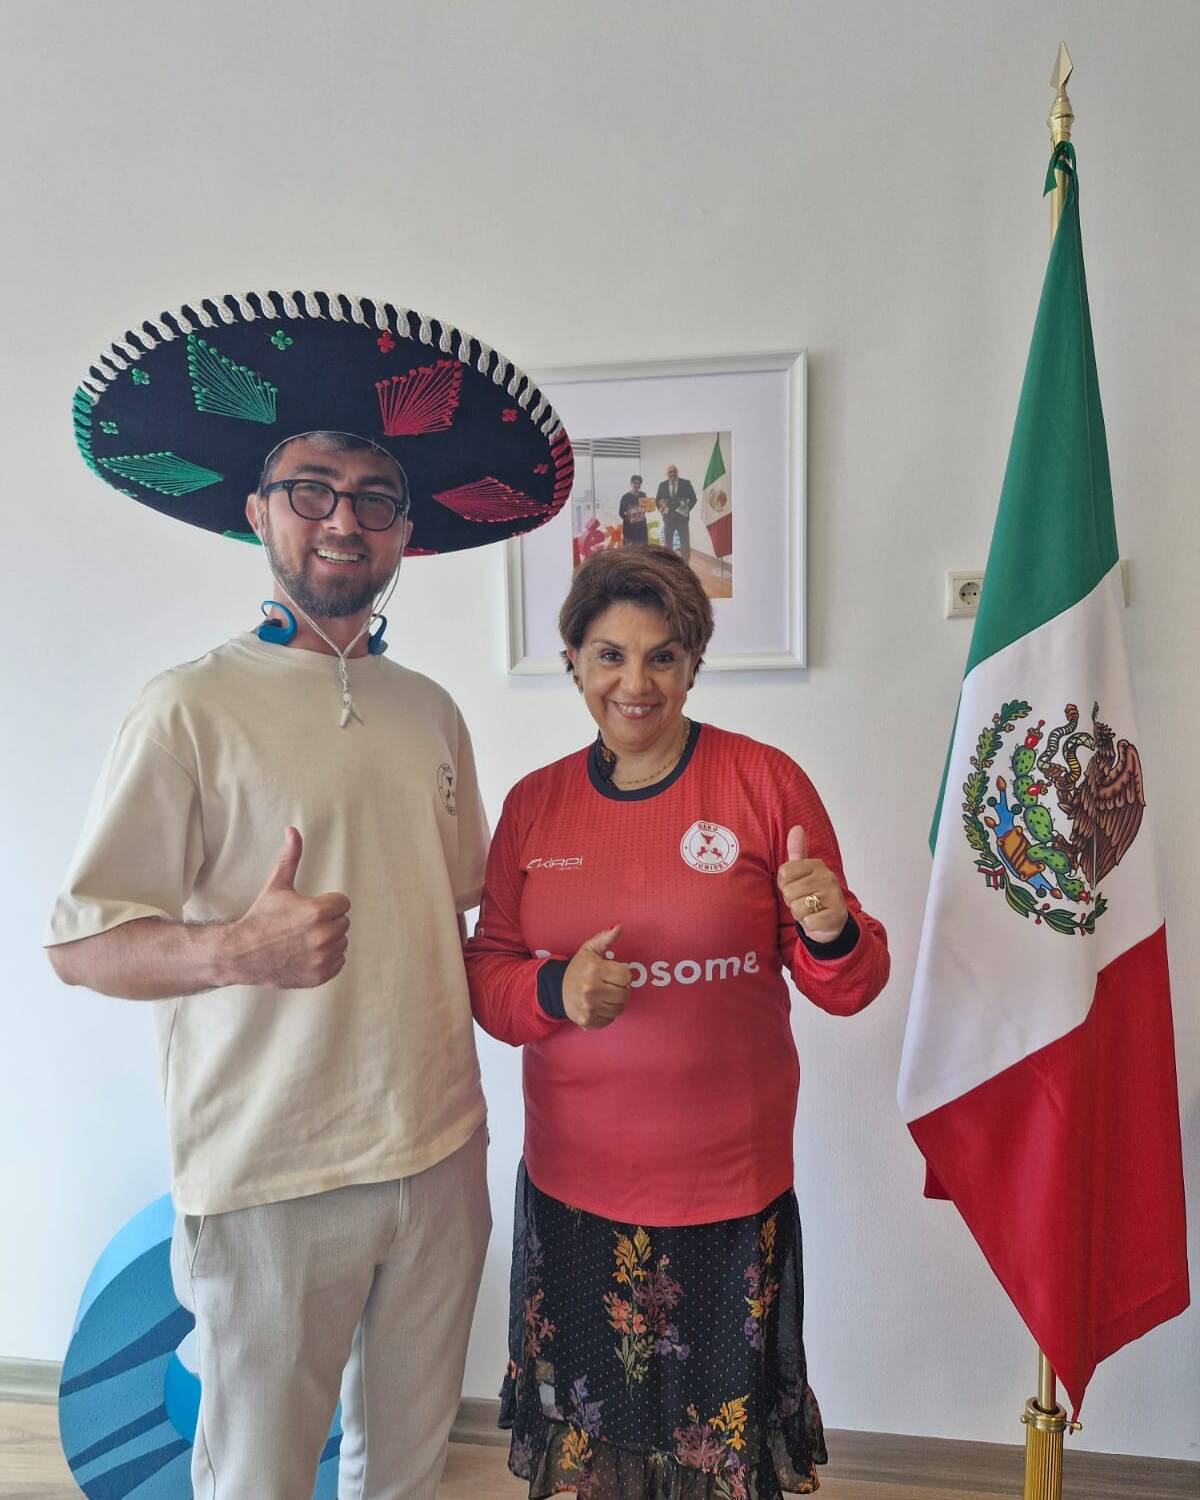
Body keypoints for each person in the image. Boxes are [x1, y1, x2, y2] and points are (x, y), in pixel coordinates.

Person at [46, 290, 572, 1500]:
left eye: (376, 498)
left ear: (405, 533)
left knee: (407, 1470)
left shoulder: (429, 710)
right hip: (268, 1173)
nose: (345, 519)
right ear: (258, 511)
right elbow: (82, 947)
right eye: (312, 490)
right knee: (260, 1478)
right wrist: (236, 951)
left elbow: (457, 915)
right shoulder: (186, 708)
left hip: (438, 1154)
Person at [465, 546, 890, 1498]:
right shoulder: (534, 805)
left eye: (663, 656)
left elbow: (849, 986)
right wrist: (556, 990)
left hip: (725, 1194)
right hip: (577, 1191)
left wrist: (830, 928)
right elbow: (488, 974)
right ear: (573, 663)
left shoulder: (763, 783)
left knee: (717, 1461)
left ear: (694, 664)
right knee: (598, 1457)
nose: (635, 682)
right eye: (609, 655)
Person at [655, 462, 697, 560]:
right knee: (668, 544)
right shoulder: (662, 485)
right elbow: (658, 500)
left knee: (685, 543)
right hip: (668, 520)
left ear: (677, 472)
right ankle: (669, 563)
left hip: (682, 520)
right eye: (670, 472)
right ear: (667, 474)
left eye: (674, 471)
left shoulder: (686, 483)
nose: (672, 473)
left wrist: (685, 509)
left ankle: (685, 564)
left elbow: (693, 499)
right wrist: (662, 510)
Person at [618, 474, 649, 545]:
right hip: (630, 527)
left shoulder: (643, 495)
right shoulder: (625, 497)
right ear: (631, 483)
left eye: (639, 483)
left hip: (641, 526)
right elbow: (621, 513)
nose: (637, 485)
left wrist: (649, 507)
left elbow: (646, 508)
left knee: (643, 547)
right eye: (635, 483)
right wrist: (630, 519)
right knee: (630, 548)